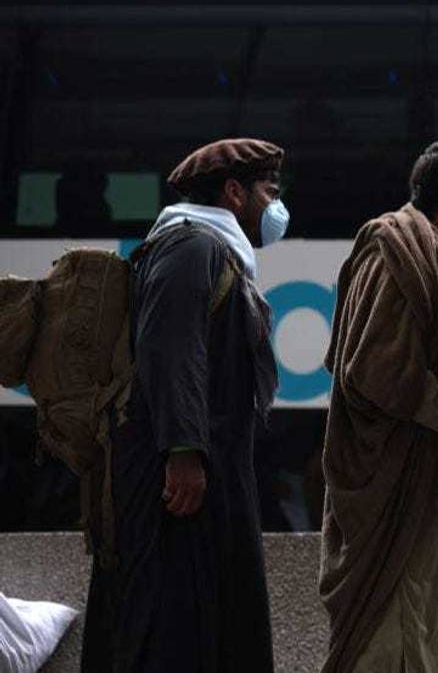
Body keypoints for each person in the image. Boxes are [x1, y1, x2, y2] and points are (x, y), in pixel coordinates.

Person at [82, 138, 285, 672]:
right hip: (178, 482)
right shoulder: (189, 247)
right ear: (235, 192)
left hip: (210, 469)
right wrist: (184, 450)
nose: (276, 207)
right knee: (175, 625)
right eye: (269, 191)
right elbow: (171, 351)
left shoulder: (216, 252)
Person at [318, 139, 438, 673]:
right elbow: (372, 369)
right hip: (391, 486)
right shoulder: (395, 246)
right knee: (389, 637)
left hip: (428, 484)